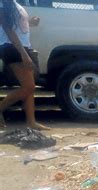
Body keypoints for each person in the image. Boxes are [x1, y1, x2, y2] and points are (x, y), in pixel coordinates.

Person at [0, 0, 49, 130]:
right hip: (12, 47)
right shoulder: (2, 3)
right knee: (29, 87)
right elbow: (8, 29)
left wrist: (30, 22)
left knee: (28, 86)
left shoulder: (15, 4)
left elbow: (17, 25)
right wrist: (24, 54)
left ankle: (31, 122)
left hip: (22, 47)